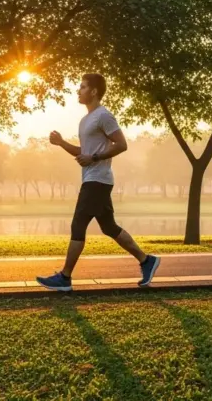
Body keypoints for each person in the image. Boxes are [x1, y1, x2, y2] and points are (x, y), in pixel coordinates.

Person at [36, 73, 160, 291]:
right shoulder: (85, 120)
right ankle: (146, 260)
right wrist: (62, 143)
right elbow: (83, 152)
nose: (78, 90)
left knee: (78, 225)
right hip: (94, 179)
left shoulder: (103, 116)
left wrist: (94, 158)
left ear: (93, 91)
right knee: (109, 227)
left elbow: (121, 144)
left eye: (82, 87)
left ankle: (65, 278)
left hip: (97, 180)